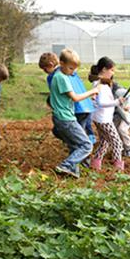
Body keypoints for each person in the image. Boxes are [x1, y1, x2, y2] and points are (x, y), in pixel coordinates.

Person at [49, 49, 97, 178]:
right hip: (66, 119)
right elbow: (75, 98)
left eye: (74, 69)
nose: (73, 72)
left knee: (75, 145)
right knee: (86, 145)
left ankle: (73, 173)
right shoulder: (62, 78)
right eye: (70, 68)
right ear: (61, 63)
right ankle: (65, 165)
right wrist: (92, 92)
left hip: (61, 117)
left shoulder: (59, 75)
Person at [39, 52, 96, 144]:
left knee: (72, 136)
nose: (45, 72)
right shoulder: (72, 72)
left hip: (74, 108)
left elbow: (55, 95)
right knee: (81, 132)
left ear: (50, 65)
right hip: (86, 105)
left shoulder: (54, 76)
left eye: (45, 69)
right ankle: (84, 147)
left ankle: (82, 153)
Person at [88, 57, 125, 171]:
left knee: (106, 141)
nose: (113, 73)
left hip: (99, 118)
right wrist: (117, 102)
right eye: (112, 70)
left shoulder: (99, 82)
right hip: (104, 119)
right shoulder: (101, 85)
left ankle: (95, 162)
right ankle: (118, 168)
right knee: (117, 142)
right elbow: (101, 102)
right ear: (104, 69)